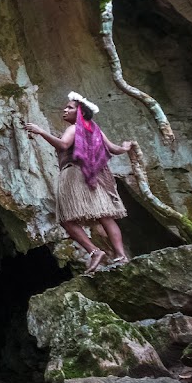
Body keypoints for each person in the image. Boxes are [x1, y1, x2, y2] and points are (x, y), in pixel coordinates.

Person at [24, 92, 132, 274]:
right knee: (105, 215)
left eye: (70, 108)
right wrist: (126, 147)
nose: (65, 110)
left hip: (74, 175)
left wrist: (41, 131)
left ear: (80, 112)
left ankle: (94, 251)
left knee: (66, 219)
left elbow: (63, 146)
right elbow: (114, 149)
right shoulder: (95, 129)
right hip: (95, 175)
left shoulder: (74, 128)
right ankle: (121, 256)